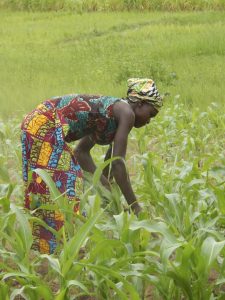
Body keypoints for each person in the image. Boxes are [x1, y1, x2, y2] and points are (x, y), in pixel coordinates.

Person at [21, 78, 163, 254]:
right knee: (65, 185)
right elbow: (119, 164)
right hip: (44, 124)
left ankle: (50, 249)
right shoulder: (127, 113)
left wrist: (107, 189)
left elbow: (83, 153)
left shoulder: (114, 114)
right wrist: (135, 206)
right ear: (140, 103)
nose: (149, 121)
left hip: (36, 122)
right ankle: (61, 250)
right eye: (151, 114)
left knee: (50, 189)